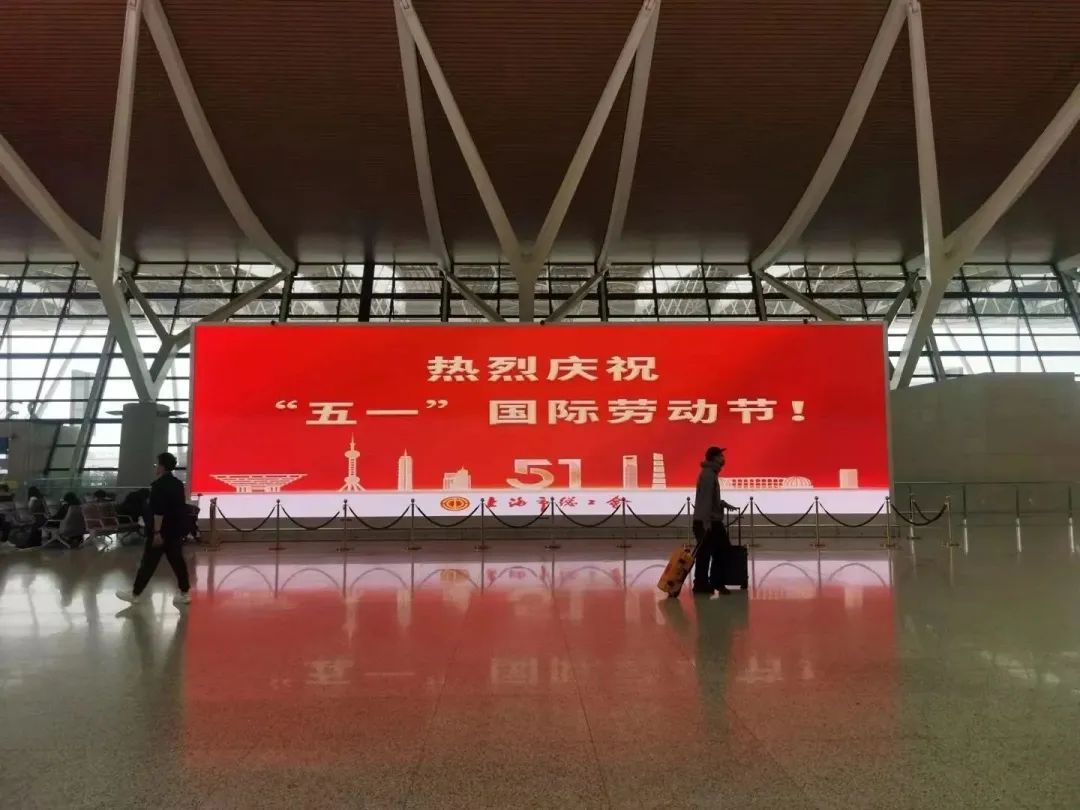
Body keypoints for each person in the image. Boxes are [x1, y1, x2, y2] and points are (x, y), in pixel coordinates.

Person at [116, 453, 191, 608]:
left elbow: (158, 512)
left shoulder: (158, 486)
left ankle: (135, 594)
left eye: (157, 464)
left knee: (148, 563)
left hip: (160, 532)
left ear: (162, 466)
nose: (156, 467)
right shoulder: (178, 484)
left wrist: (157, 533)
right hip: (174, 530)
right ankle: (184, 593)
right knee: (178, 562)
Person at [692, 446, 737, 595]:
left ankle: (704, 584)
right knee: (719, 551)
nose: (723, 458)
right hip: (708, 522)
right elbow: (705, 500)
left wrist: (721, 504)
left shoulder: (710, 473)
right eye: (720, 456)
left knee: (709, 553)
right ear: (714, 458)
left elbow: (709, 499)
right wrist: (706, 523)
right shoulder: (708, 475)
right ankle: (709, 583)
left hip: (707, 520)